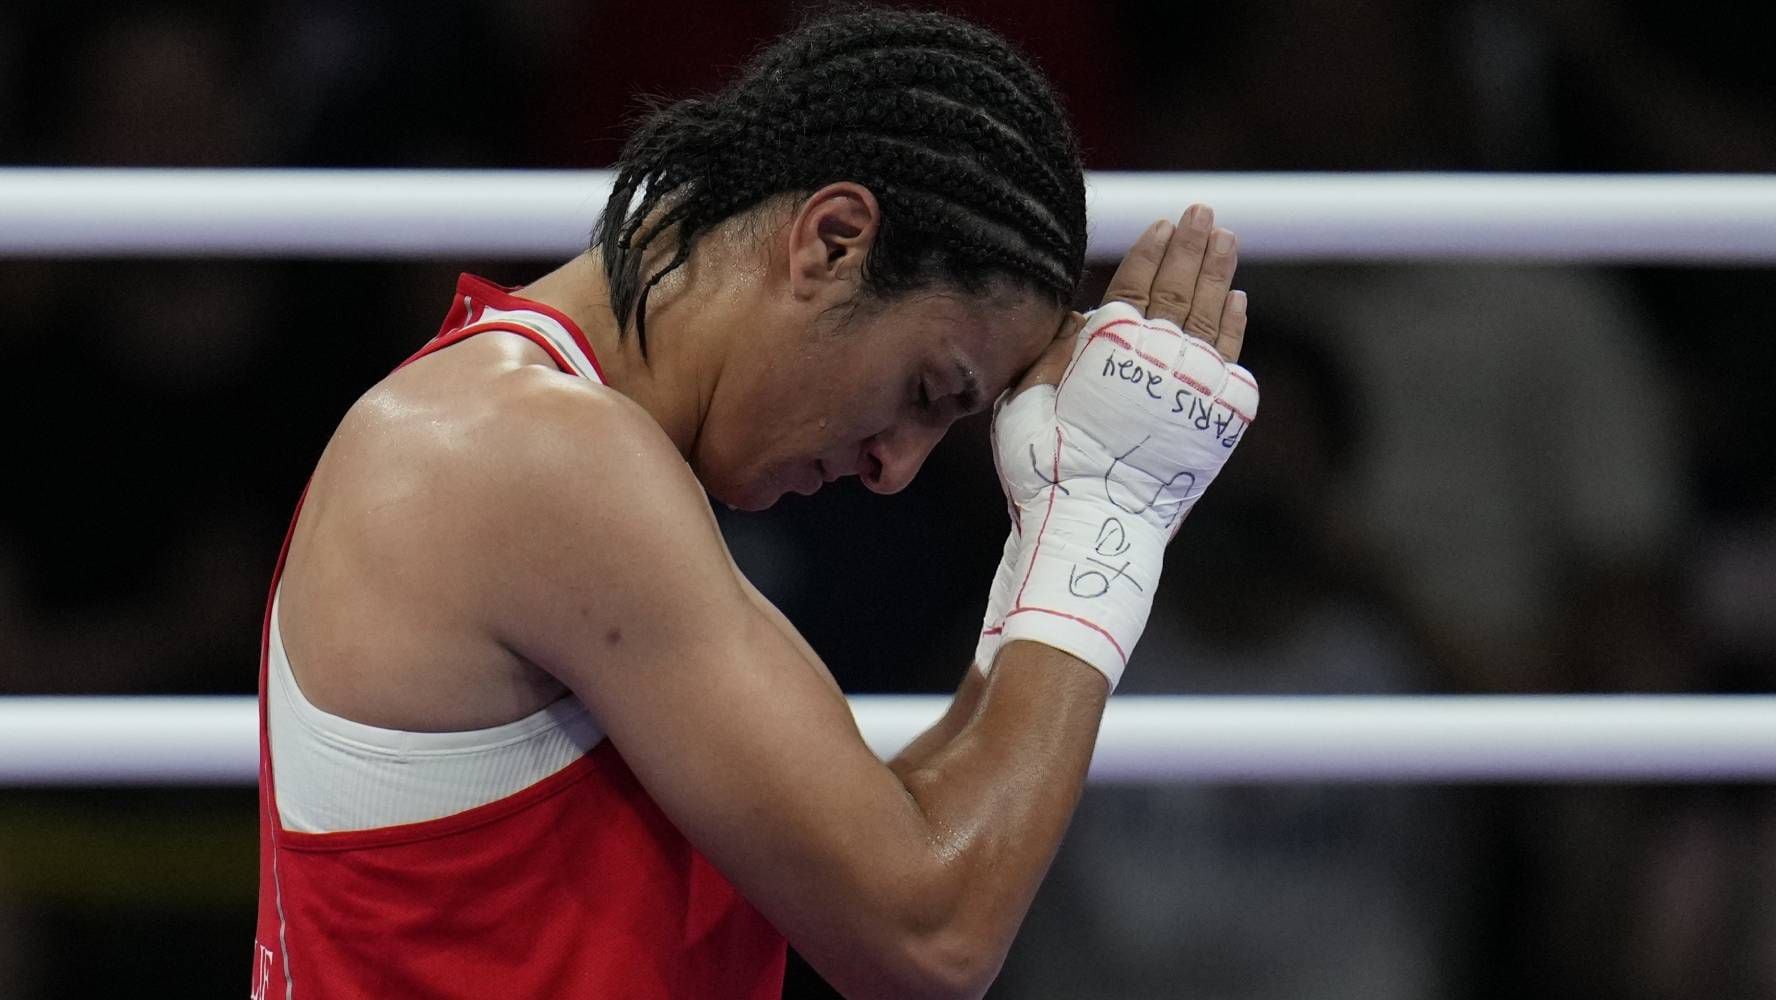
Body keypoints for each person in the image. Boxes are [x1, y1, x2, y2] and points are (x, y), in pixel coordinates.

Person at [250, 9, 1257, 999]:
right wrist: (1105, 513)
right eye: (926, 391)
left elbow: (903, 833)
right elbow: (934, 934)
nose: (897, 468)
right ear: (831, 241)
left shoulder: (561, 445)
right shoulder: (534, 456)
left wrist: (1057, 525)